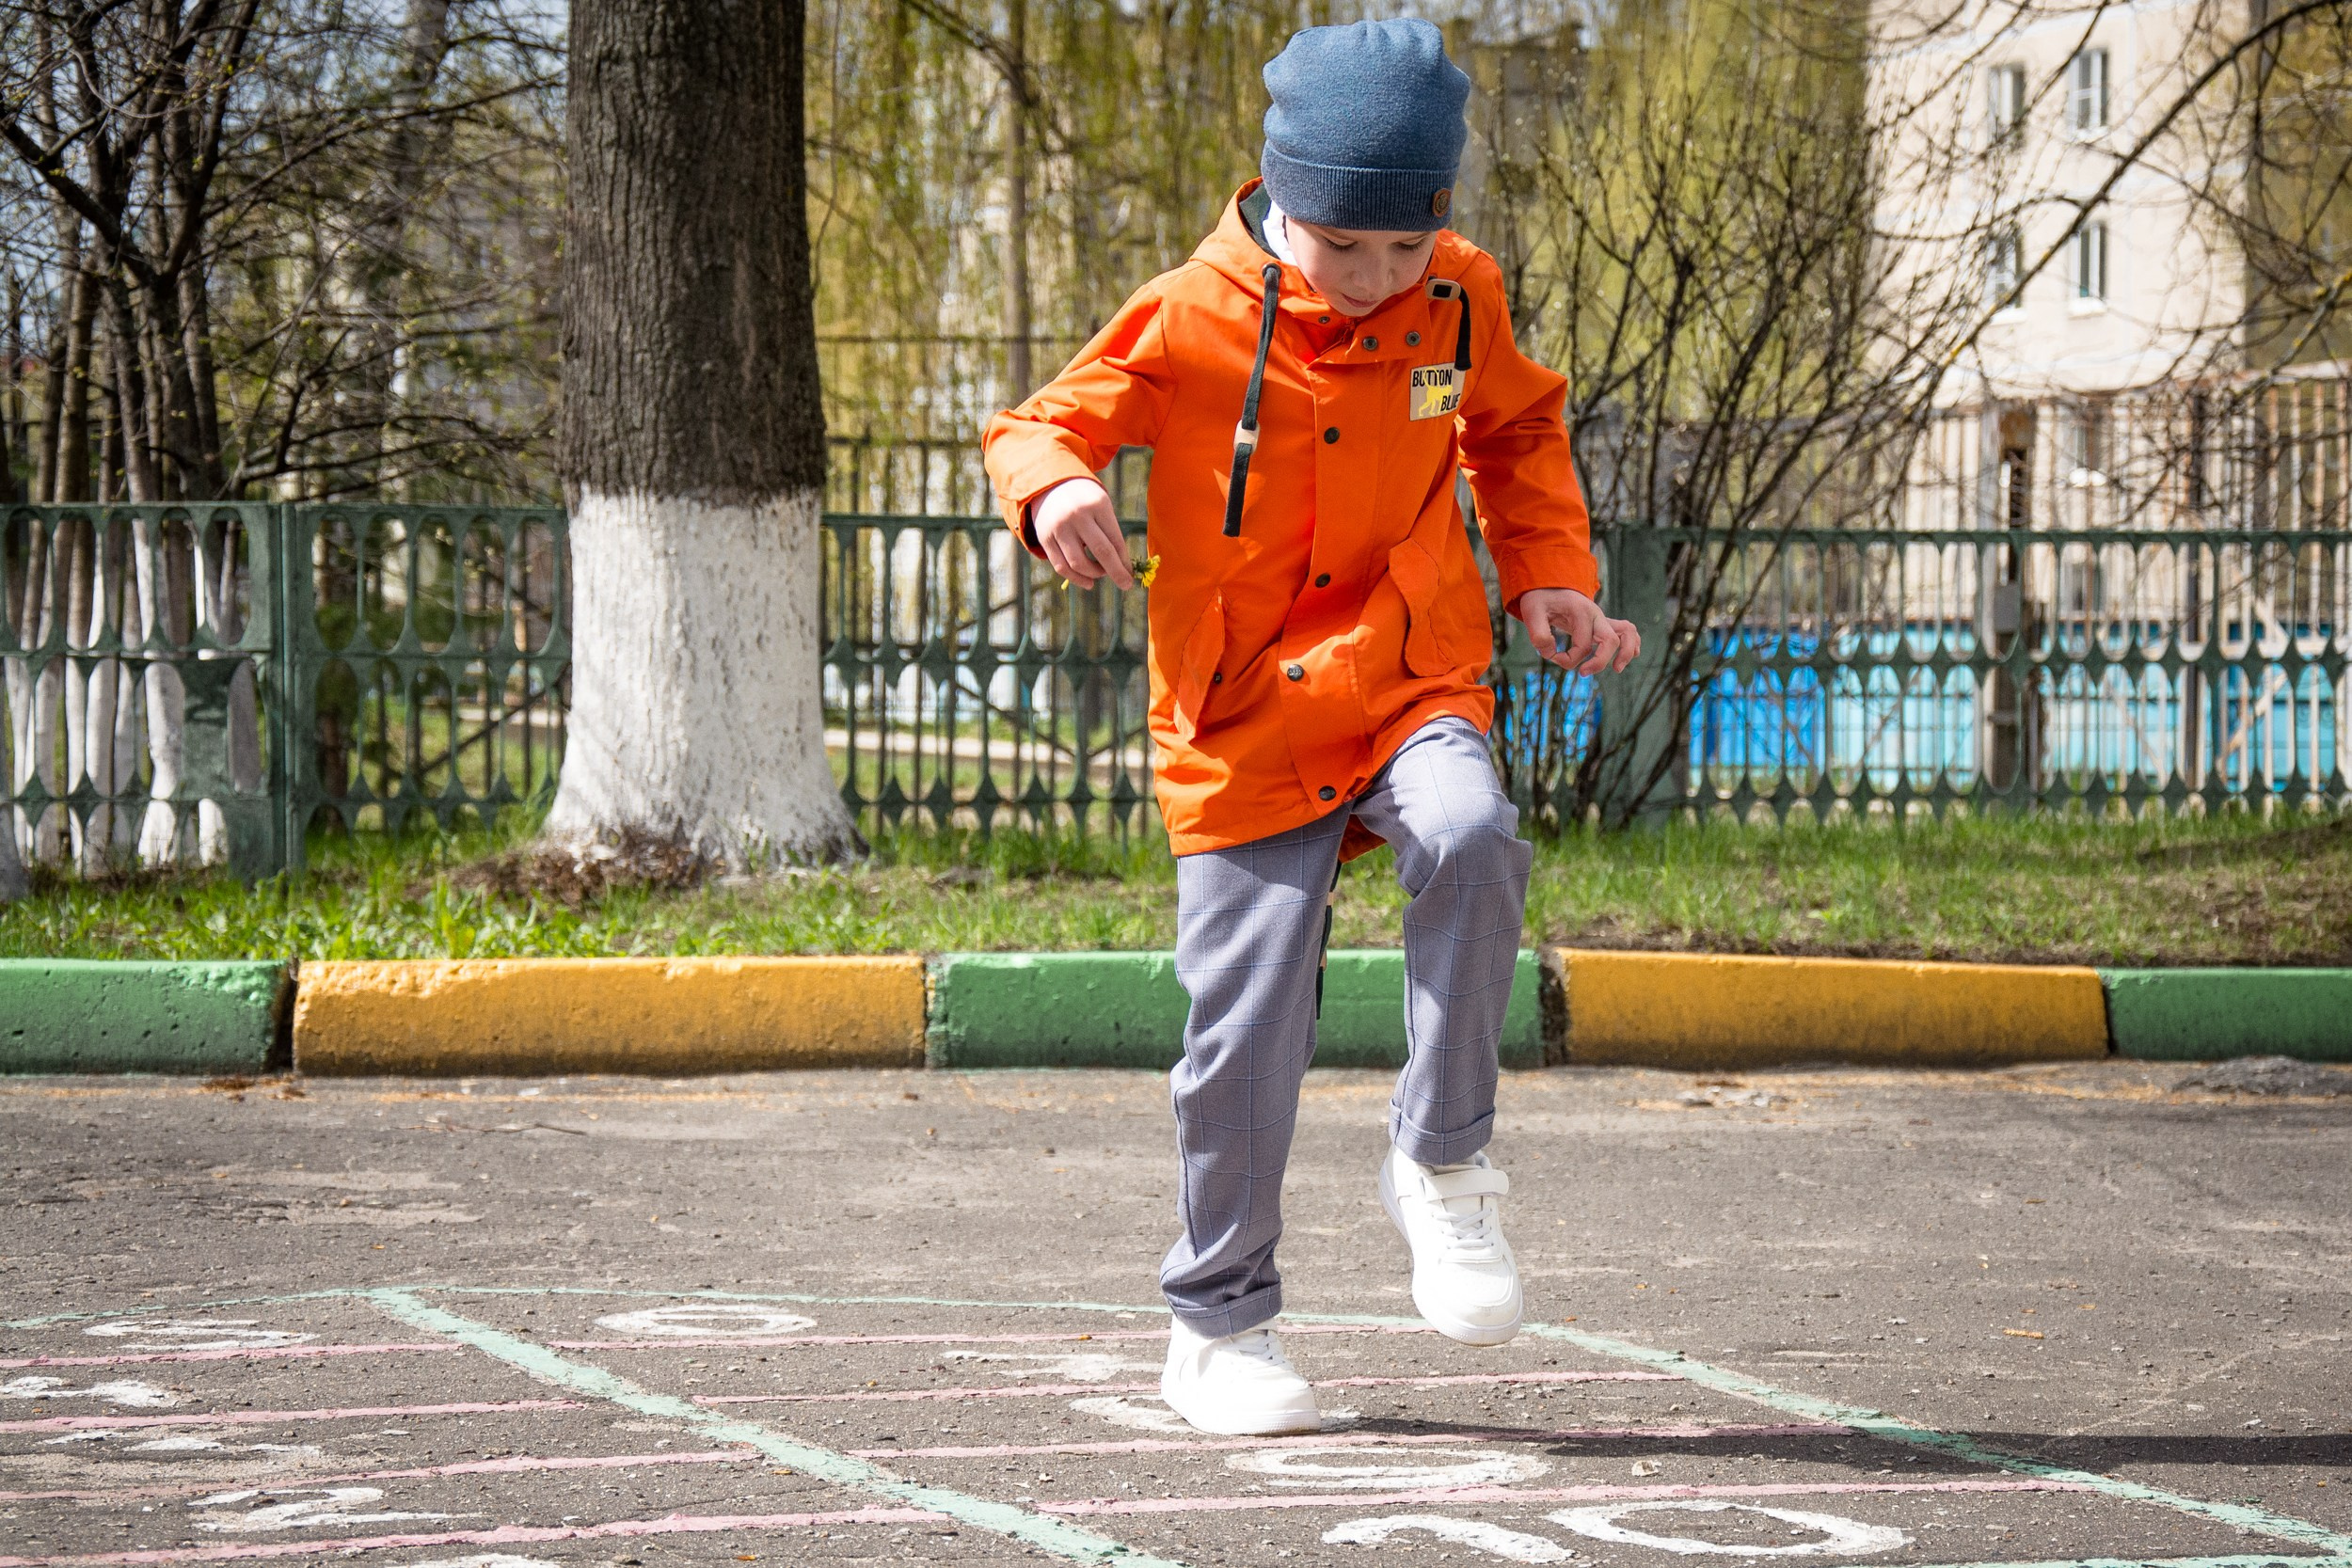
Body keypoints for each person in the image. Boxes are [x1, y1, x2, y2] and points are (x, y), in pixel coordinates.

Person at [981, 16, 1641, 1437]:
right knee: (1247, 1028)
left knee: (1473, 836)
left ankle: (1443, 1159)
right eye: (1345, 247)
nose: (1376, 279)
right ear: (1282, 195)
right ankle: (1218, 1327)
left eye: (1405, 248)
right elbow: (1040, 422)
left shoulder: (1457, 299)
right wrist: (1055, 490)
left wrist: (1554, 584)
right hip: (1244, 710)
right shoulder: (1189, 313)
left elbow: (1515, 438)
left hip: (1410, 674)